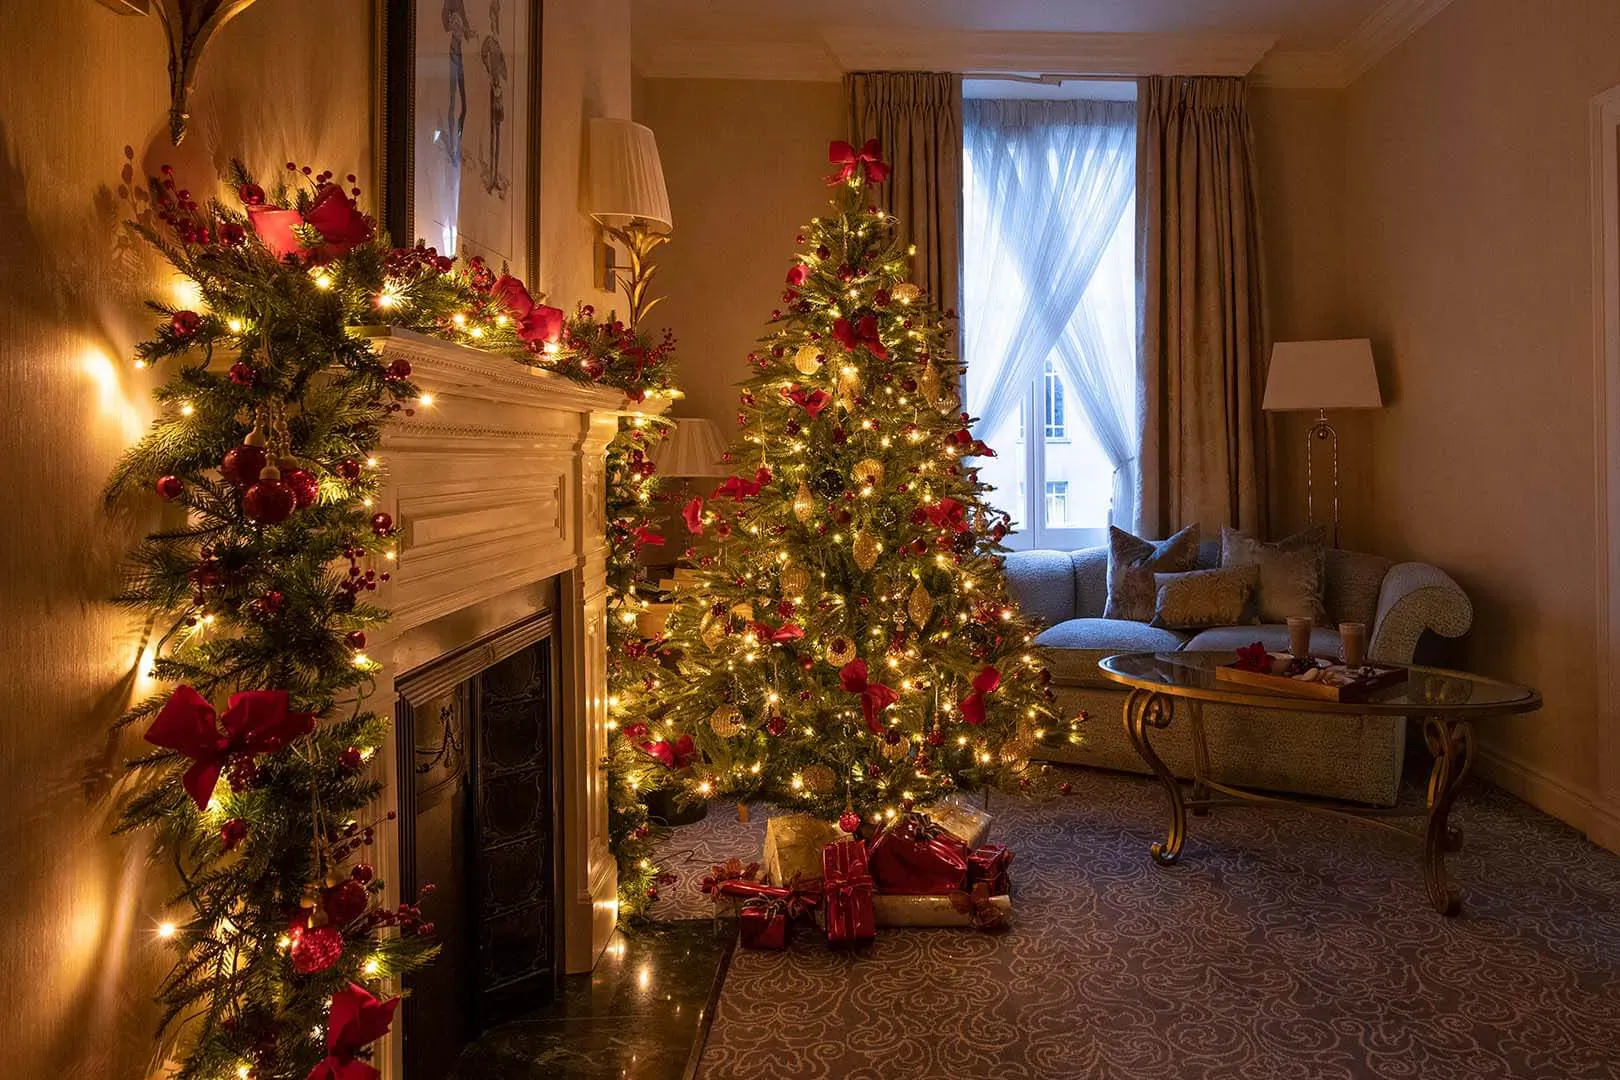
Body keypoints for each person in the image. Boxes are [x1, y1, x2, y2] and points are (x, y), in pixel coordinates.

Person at [442, 0, 476, 165]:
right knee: (453, 104)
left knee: (464, 106)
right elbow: (447, 25)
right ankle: (453, 149)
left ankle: (457, 145)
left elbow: (466, 29)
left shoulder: (460, 4)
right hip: (453, 56)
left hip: (460, 56)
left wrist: (469, 31)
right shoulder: (449, 5)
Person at [479, 0, 507, 194]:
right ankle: (492, 175)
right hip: (493, 90)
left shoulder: (497, 44)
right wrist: (490, 74)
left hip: (499, 93)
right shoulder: (489, 42)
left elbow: (504, 72)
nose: (494, 20)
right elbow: (482, 56)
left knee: (498, 130)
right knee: (492, 132)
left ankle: (496, 174)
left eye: (496, 17)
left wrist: (499, 86)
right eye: (492, 17)